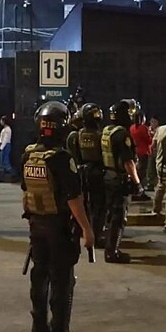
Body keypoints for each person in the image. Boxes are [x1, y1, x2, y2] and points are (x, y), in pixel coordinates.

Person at [21, 100, 95, 332]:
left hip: (36, 224)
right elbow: (73, 198)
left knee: (39, 274)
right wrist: (87, 228)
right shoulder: (62, 158)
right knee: (62, 279)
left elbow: (27, 189)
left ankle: (38, 326)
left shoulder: (29, 154)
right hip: (59, 227)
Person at [101, 99, 143, 263]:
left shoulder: (107, 130)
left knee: (110, 215)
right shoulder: (122, 134)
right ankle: (112, 252)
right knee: (119, 218)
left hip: (108, 177)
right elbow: (128, 162)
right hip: (119, 179)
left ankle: (109, 247)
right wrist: (137, 183)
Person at [66, 103, 107, 248]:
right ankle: (96, 234)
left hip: (80, 172)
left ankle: (78, 231)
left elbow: (72, 156)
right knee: (98, 206)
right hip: (97, 172)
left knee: (81, 204)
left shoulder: (75, 135)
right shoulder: (101, 135)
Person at [129, 113, 153, 201]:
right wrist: (151, 134)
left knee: (136, 172)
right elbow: (149, 140)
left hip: (135, 152)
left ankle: (135, 191)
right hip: (144, 152)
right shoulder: (143, 128)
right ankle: (140, 192)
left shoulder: (131, 127)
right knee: (142, 173)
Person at [0, 115, 14, 181]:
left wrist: (1, 147)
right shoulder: (5, 129)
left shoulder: (7, 129)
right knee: (3, 161)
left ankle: (13, 174)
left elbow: (5, 139)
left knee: (5, 161)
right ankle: (2, 176)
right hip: (3, 145)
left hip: (5, 145)